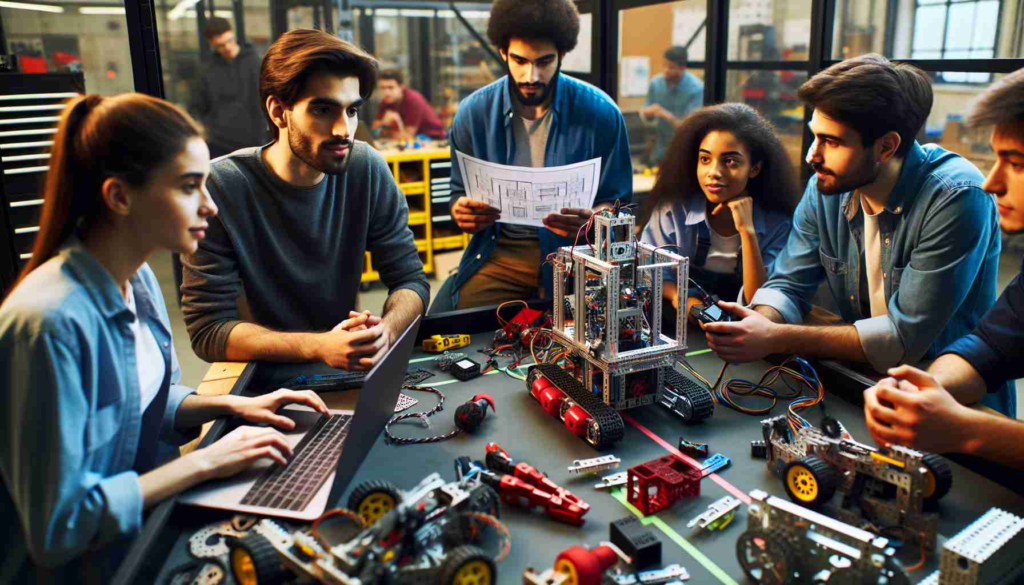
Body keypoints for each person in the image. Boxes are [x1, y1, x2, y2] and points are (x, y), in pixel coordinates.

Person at [0, 94, 330, 581]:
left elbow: (135, 402)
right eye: (188, 187)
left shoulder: (138, 278)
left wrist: (225, 407)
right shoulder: (48, 325)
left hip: (141, 535)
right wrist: (203, 463)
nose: (211, 206)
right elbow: (58, 529)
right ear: (119, 197)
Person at [700, 53, 1013, 417]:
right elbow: (787, 283)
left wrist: (776, 337)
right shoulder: (827, 187)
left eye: (831, 142)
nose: (812, 157)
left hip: (953, 406)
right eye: (814, 137)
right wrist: (761, 320)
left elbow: (902, 339)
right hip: (863, 386)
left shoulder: (957, 197)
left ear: (886, 147)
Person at [181, 30, 428, 370]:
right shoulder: (220, 188)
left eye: (353, 110)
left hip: (341, 368)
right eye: (324, 110)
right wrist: (318, 346)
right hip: (257, 374)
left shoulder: (366, 169)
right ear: (278, 112)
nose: (344, 129)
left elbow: (410, 280)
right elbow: (208, 330)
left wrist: (387, 330)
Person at [863, 69, 1024, 468]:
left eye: (1016, 163)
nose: (992, 183)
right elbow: (991, 346)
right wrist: (925, 388)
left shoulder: (959, 193)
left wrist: (966, 430)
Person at [441, 0, 632, 310]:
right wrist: (460, 210)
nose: (531, 75)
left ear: (563, 55)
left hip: (575, 254)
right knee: (447, 323)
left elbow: (620, 203)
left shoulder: (601, 114)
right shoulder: (472, 114)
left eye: (544, 61)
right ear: (502, 52)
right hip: (501, 253)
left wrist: (598, 218)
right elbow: (457, 193)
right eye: (519, 60)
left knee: (590, 335)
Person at [639, 103, 798, 319]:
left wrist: (747, 231)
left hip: (749, 329)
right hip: (683, 322)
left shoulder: (777, 223)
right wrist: (681, 297)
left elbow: (758, 300)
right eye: (705, 159)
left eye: (730, 161)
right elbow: (650, 272)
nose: (713, 172)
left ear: (754, 168)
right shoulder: (674, 210)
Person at [188, 17, 268, 158]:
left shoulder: (257, 64)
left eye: (229, 41)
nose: (227, 47)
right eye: (220, 45)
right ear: (211, 44)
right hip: (219, 145)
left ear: (233, 34)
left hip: (257, 142)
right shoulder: (206, 71)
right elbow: (196, 106)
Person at [640, 46, 704, 166]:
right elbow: (647, 116)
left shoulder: (696, 88)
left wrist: (665, 115)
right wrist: (647, 114)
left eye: (671, 67)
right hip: (660, 151)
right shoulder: (656, 83)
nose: (666, 70)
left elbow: (690, 126)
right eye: (664, 65)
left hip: (686, 152)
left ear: (682, 68)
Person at [371, 69, 446, 140]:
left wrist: (391, 127)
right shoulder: (387, 100)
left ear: (402, 87)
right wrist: (383, 122)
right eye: (382, 88)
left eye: (391, 88)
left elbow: (407, 137)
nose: (386, 92)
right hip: (412, 139)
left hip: (432, 137)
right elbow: (373, 131)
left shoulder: (413, 100)